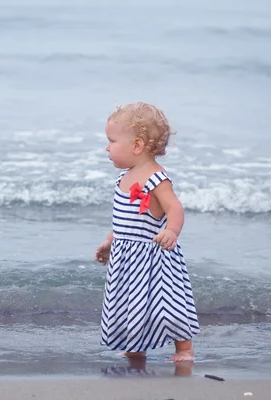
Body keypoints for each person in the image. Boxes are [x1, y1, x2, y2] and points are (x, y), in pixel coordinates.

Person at [94, 102, 200, 361]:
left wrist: (172, 231)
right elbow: (123, 221)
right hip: (126, 259)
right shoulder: (123, 179)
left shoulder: (157, 179)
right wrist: (109, 241)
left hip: (151, 257)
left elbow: (175, 208)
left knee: (167, 304)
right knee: (130, 304)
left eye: (112, 141)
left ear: (137, 145)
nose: (107, 147)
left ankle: (184, 349)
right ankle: (134, 347)